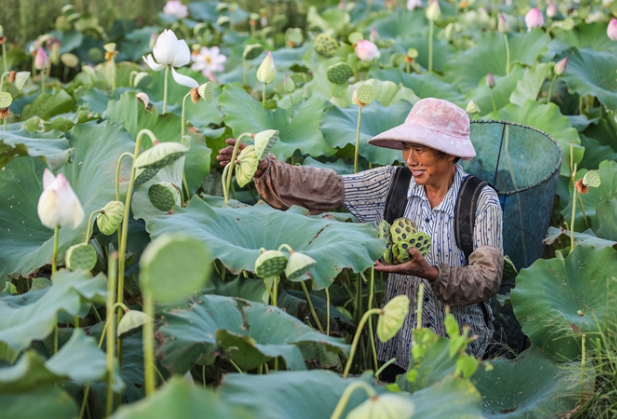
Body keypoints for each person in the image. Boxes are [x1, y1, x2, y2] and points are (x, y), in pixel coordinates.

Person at [217, 98, 504, 382]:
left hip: (460, 351)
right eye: (406, 147)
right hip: (398, 347)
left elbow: (488, 277)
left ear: (450, 153)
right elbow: (330, 188)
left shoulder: (480, 201)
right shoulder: (394, 184)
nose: (410, 159)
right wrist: (267, 169)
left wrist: (432, 274)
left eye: (420, 149)